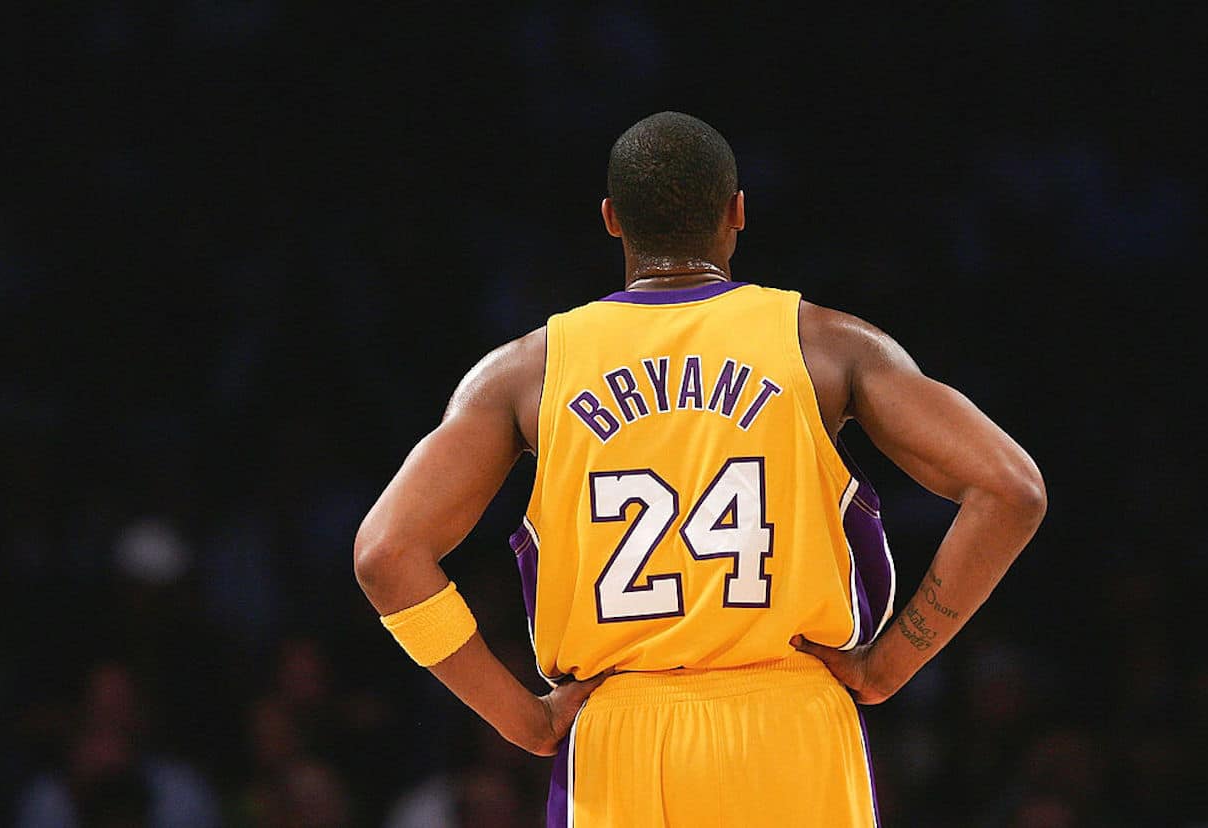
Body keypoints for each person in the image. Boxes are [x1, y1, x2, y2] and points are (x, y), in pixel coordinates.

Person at [354, 111, 1046, 827]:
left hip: (619, 731)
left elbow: (386, 555)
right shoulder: (826, 345)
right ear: (738, 212)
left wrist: (522, 720)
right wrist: (889, 664)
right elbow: (1011, 489)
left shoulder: (526, 371)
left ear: (612, 219)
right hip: (792, 724)